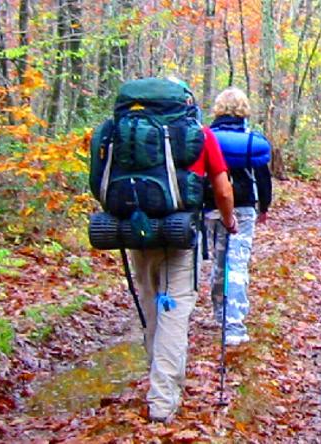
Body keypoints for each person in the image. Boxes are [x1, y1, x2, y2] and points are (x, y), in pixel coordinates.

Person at [126, 78, 237, 423]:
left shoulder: (128, 133)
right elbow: (221, 187)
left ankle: (160, 375)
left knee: (150, 304)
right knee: (175, 310)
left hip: (137, 229)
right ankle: (162, 400)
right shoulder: (198, 134)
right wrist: (229, 220)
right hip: (180, 233)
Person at [206, 87, 273, 347]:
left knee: (219, 261)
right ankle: (234, 325)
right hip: (243, 209)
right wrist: (264, 206)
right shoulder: (250, 141)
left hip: (211, 208)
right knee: (237, 263)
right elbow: (263, 178)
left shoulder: (206, 137)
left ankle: (219, 314)